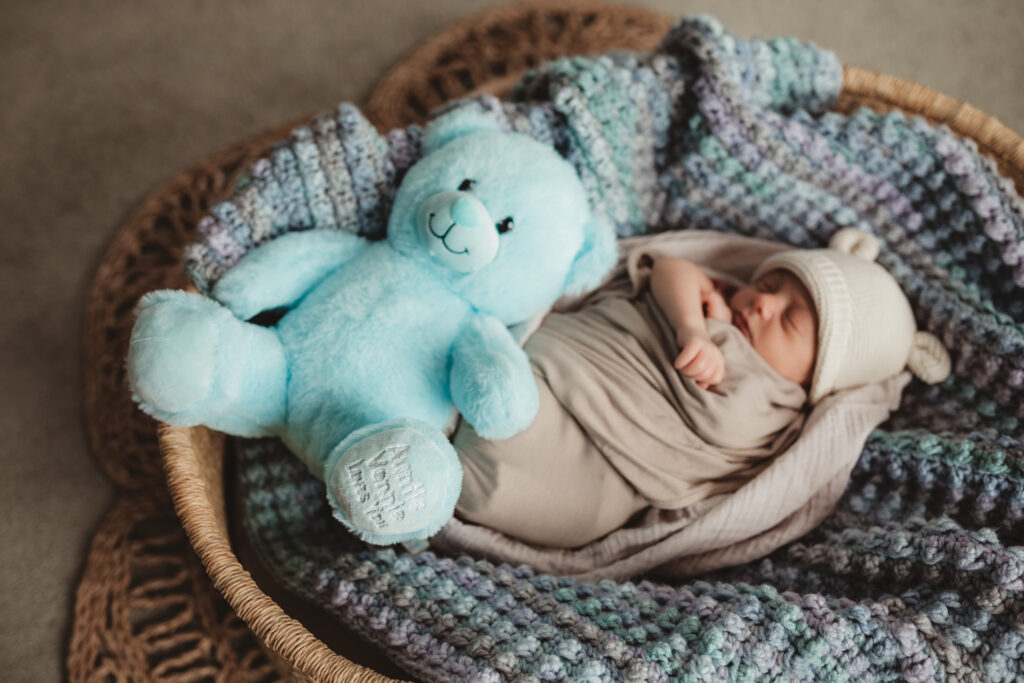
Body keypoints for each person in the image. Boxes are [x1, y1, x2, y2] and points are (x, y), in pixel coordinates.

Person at [451, 228, 951, 548]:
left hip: (623, 464)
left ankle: (450, 474)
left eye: (790, 320)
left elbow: (727, 473)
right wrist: (691, 325)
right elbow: (669, 267)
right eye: (771, 286)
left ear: (820, 373)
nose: (764, 305)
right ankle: (460, 425)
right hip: (578, 369)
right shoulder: (718, 305)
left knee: (588, 515)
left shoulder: (781, 416)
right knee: (511, 391)